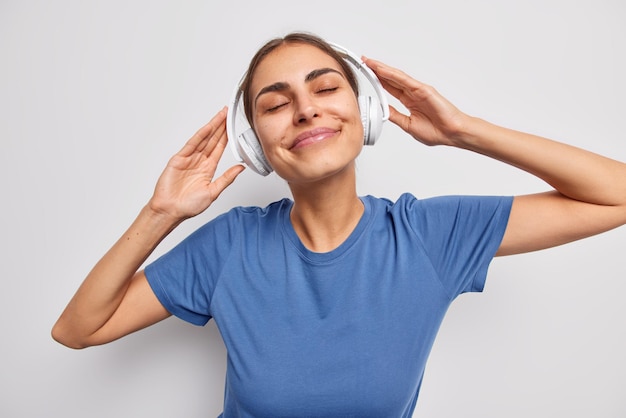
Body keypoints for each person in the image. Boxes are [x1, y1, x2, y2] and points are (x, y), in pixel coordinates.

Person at [52, 32, 626, 417]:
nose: (305, 110)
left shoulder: (428, 237)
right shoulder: (229, 245)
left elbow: (616, 197)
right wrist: (160, 215)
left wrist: (464, 131)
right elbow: (78, 329)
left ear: (366, 112)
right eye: (276, 105)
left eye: (326, 88)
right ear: (255, 145)